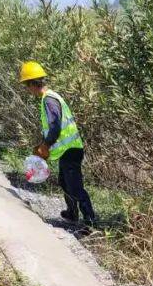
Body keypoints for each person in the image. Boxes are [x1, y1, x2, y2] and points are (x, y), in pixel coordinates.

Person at [18, 61, 96, 226]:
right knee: (64, 181)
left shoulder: (49, 100)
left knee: (75, 186)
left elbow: (55, 127)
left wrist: (45, 146)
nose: (27, 90)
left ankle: (90, 221)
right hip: (67, 150)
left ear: (33, 84)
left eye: (27, 85)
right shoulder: (49, 98)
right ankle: (72, 213)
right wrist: (43, 143)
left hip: (70, 150)